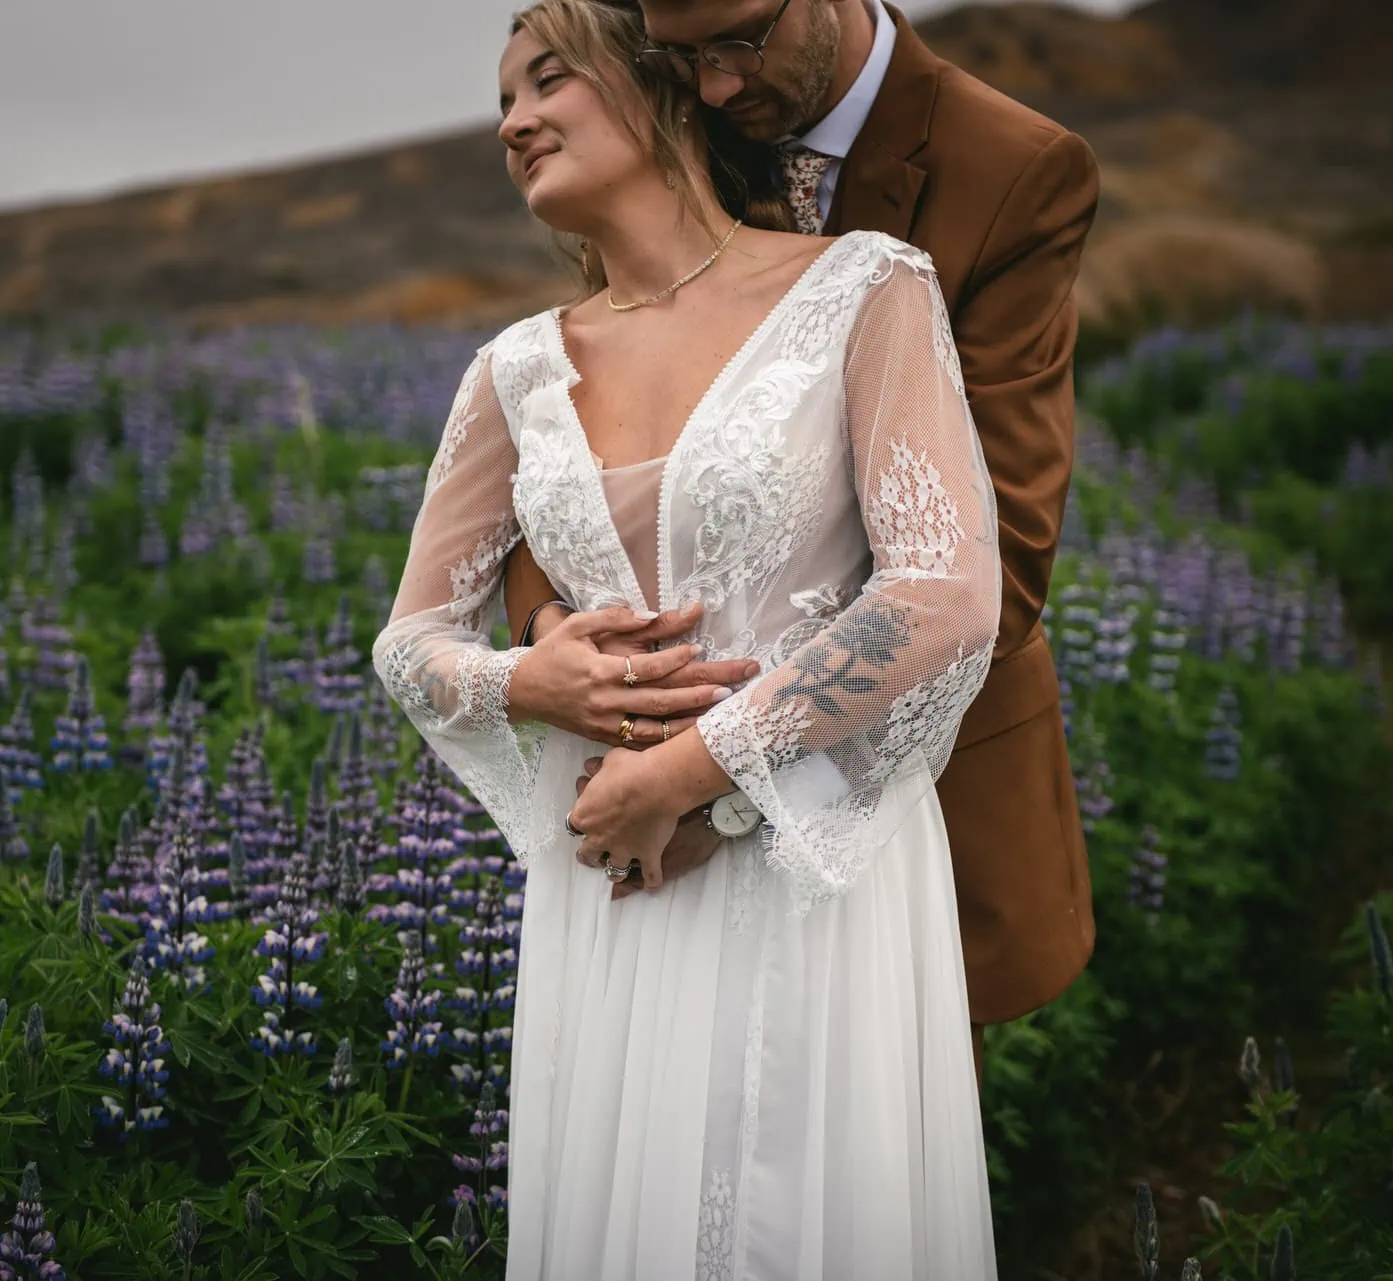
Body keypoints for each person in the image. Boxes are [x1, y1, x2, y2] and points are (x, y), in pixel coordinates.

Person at [372, 0, 1009, 1273]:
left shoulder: (863, 288)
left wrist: (688, 770)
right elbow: (412, 640)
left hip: (804, 856)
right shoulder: (514, 368)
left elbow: (944, 588)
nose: (511, 120)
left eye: (546, 78)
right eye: (502, 102)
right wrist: (524, 678)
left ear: (662, 88)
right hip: (610, 877)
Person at [501, 0, 1101, 1082]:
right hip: (647, 795)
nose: (717, 88)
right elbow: (584, 458)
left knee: (873, 1150)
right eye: (682, 60)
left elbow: (991, 564)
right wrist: (570, 645)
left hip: (890, 786)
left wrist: (716, 782)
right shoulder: (675, 129)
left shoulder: (1012, 169)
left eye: (739, 44)